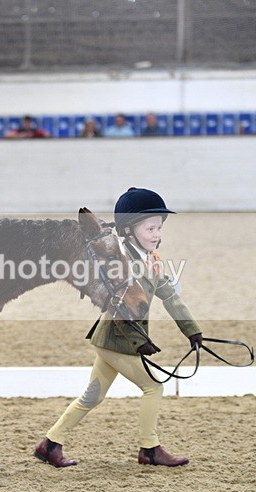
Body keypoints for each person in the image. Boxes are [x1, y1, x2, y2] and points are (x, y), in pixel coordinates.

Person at [34, 187, 202, 468]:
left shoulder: (150, 261)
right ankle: (149, 449)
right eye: (150, 229)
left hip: (112, 341)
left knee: (93, 396)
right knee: (154, 388)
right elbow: (118, 307)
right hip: (118, 338)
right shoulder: (122, 264)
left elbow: (171, 297)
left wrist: (193, 332)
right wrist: (139, 341)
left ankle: (50, 444)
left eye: (159, 228)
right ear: (128, 231)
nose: (157, 234)